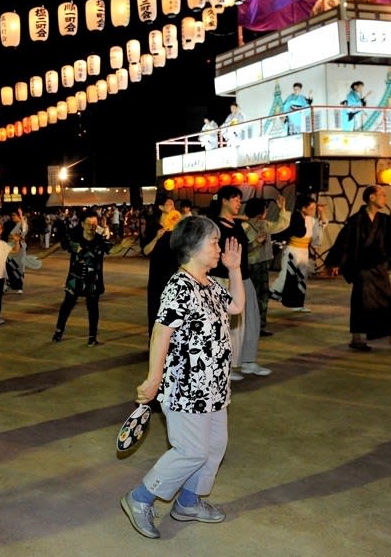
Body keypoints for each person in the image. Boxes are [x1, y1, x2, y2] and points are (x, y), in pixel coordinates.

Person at [119, 216, 244, 540]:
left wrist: (233, 269)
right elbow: (161, 333)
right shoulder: (180, 286)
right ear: (193, 247)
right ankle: (140, 498)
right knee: (191, 451)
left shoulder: (210, 284)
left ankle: (188, 502)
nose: (219, 248)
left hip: (214, 388)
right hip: (186, 388)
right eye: (214, 242)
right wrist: (153, 378)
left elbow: (237, 306)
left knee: (215, 446)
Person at [324, 185, 391, 351]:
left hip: (379, 267)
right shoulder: (355, 221)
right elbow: (343, 242)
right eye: (382, 195)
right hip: (362, 268)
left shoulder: (384, 220)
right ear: (371, 198)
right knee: (361, 302)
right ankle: (356, 338)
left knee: (387, 300)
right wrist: (334, 263)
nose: (385, 198)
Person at [208, 185, 268, 380]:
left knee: (251, 320)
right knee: (230, 324)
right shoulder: (213, 226)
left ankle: (248, 361)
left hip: (243, 277)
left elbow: (242, 251)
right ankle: (228, 366)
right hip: (223, 278)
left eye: (239, 200)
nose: (238, 203)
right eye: (235, 199)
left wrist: (256, 243)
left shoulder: (236, 225)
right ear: (224, 200)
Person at [52, 209, 113, 346]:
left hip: (94, 280)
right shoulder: (74, 237)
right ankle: (58, 331)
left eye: (94, 223)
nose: (92, 227)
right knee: (67, 305)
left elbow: (111, 249)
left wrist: (123, 246)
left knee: (93, 308)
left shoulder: (100, 240)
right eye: (88, 223)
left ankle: (92, 337)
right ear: (82, 224)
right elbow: (62, 242)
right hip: (76, 279)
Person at [241, 196, 290, 336]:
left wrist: (283, 209)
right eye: (265, 209)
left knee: (260, 296)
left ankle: (258, 326)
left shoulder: (262, 224)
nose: (266, 212)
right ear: (260, 212)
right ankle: (253, 326)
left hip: (260, 265)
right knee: (254, 297)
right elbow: (245, 249)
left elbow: (281, 225)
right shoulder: (246, 227)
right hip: (252, 266)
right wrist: (257, 242)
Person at [269, 195, 326, 313]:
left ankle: (298, 303)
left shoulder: (311, 219)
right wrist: (282, 209)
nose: (313, 211)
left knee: (301, 278)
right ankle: (273, 293)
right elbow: (283, 225)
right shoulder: (294, 217)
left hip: (304, 251)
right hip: (293, 250)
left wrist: (321, 213)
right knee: (288, 275)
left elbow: (321, 224)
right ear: (303, 208)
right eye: (311, 208)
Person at [142, 195, 181, 336]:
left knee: (174, 309)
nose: (173, 207)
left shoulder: (178, 228)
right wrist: (156, 238)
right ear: (160, 207)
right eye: (170, 204)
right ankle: (155, 342)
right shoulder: (153, 226)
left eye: (173, 205)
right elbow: (146, 251)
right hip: (157, 275)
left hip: (174, 273)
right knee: (156, 308)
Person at [3, 207, 29, 294]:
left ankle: (19, 286)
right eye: (12, 215)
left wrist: (21, 216)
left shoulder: (23, 224)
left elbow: (24, 230)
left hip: (19, 249)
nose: (12, 217)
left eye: (14, 215)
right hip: (10, 248)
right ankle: (9, 284)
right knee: (8, 267)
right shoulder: (10, 224)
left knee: (18, 267)